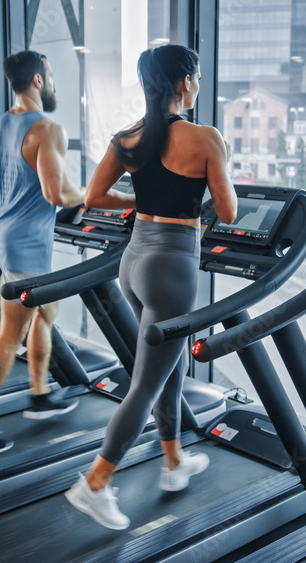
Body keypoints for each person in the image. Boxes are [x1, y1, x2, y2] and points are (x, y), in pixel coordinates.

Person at [64, 44, 237, 531]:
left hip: (135, 261)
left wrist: (135, 200)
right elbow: (227, 213)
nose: (198, 84)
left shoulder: (128, 138)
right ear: (184, 81)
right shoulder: (206, 138)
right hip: (173, 266)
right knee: (145, 382)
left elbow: (93, 196)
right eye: (197, 77)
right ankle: (94, 483)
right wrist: (222, 165)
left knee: (168, 366)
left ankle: (174, 461)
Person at [0, 50, 86, 453]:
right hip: (27, 244)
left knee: (46, 310)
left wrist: (1, 205)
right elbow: (57, 193)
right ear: (38, 81)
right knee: (11, 333)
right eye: (53, 74)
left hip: (3, 237)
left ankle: (40, 393)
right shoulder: (46, 130)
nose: (55, 82)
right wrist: (92, 194)